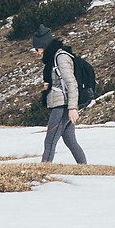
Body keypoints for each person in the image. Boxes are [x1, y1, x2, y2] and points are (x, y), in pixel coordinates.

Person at [33, 29, 87, 165]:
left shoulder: (60, 57)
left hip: (63, 105)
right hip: (63, 104)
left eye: (37, 48)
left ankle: (44, 170)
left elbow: (71, 83)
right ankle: (84, 168)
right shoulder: (54, 58)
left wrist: (72, 108)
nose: (37, 52)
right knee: (70, 140)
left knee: (50, 140)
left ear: (44, 45)